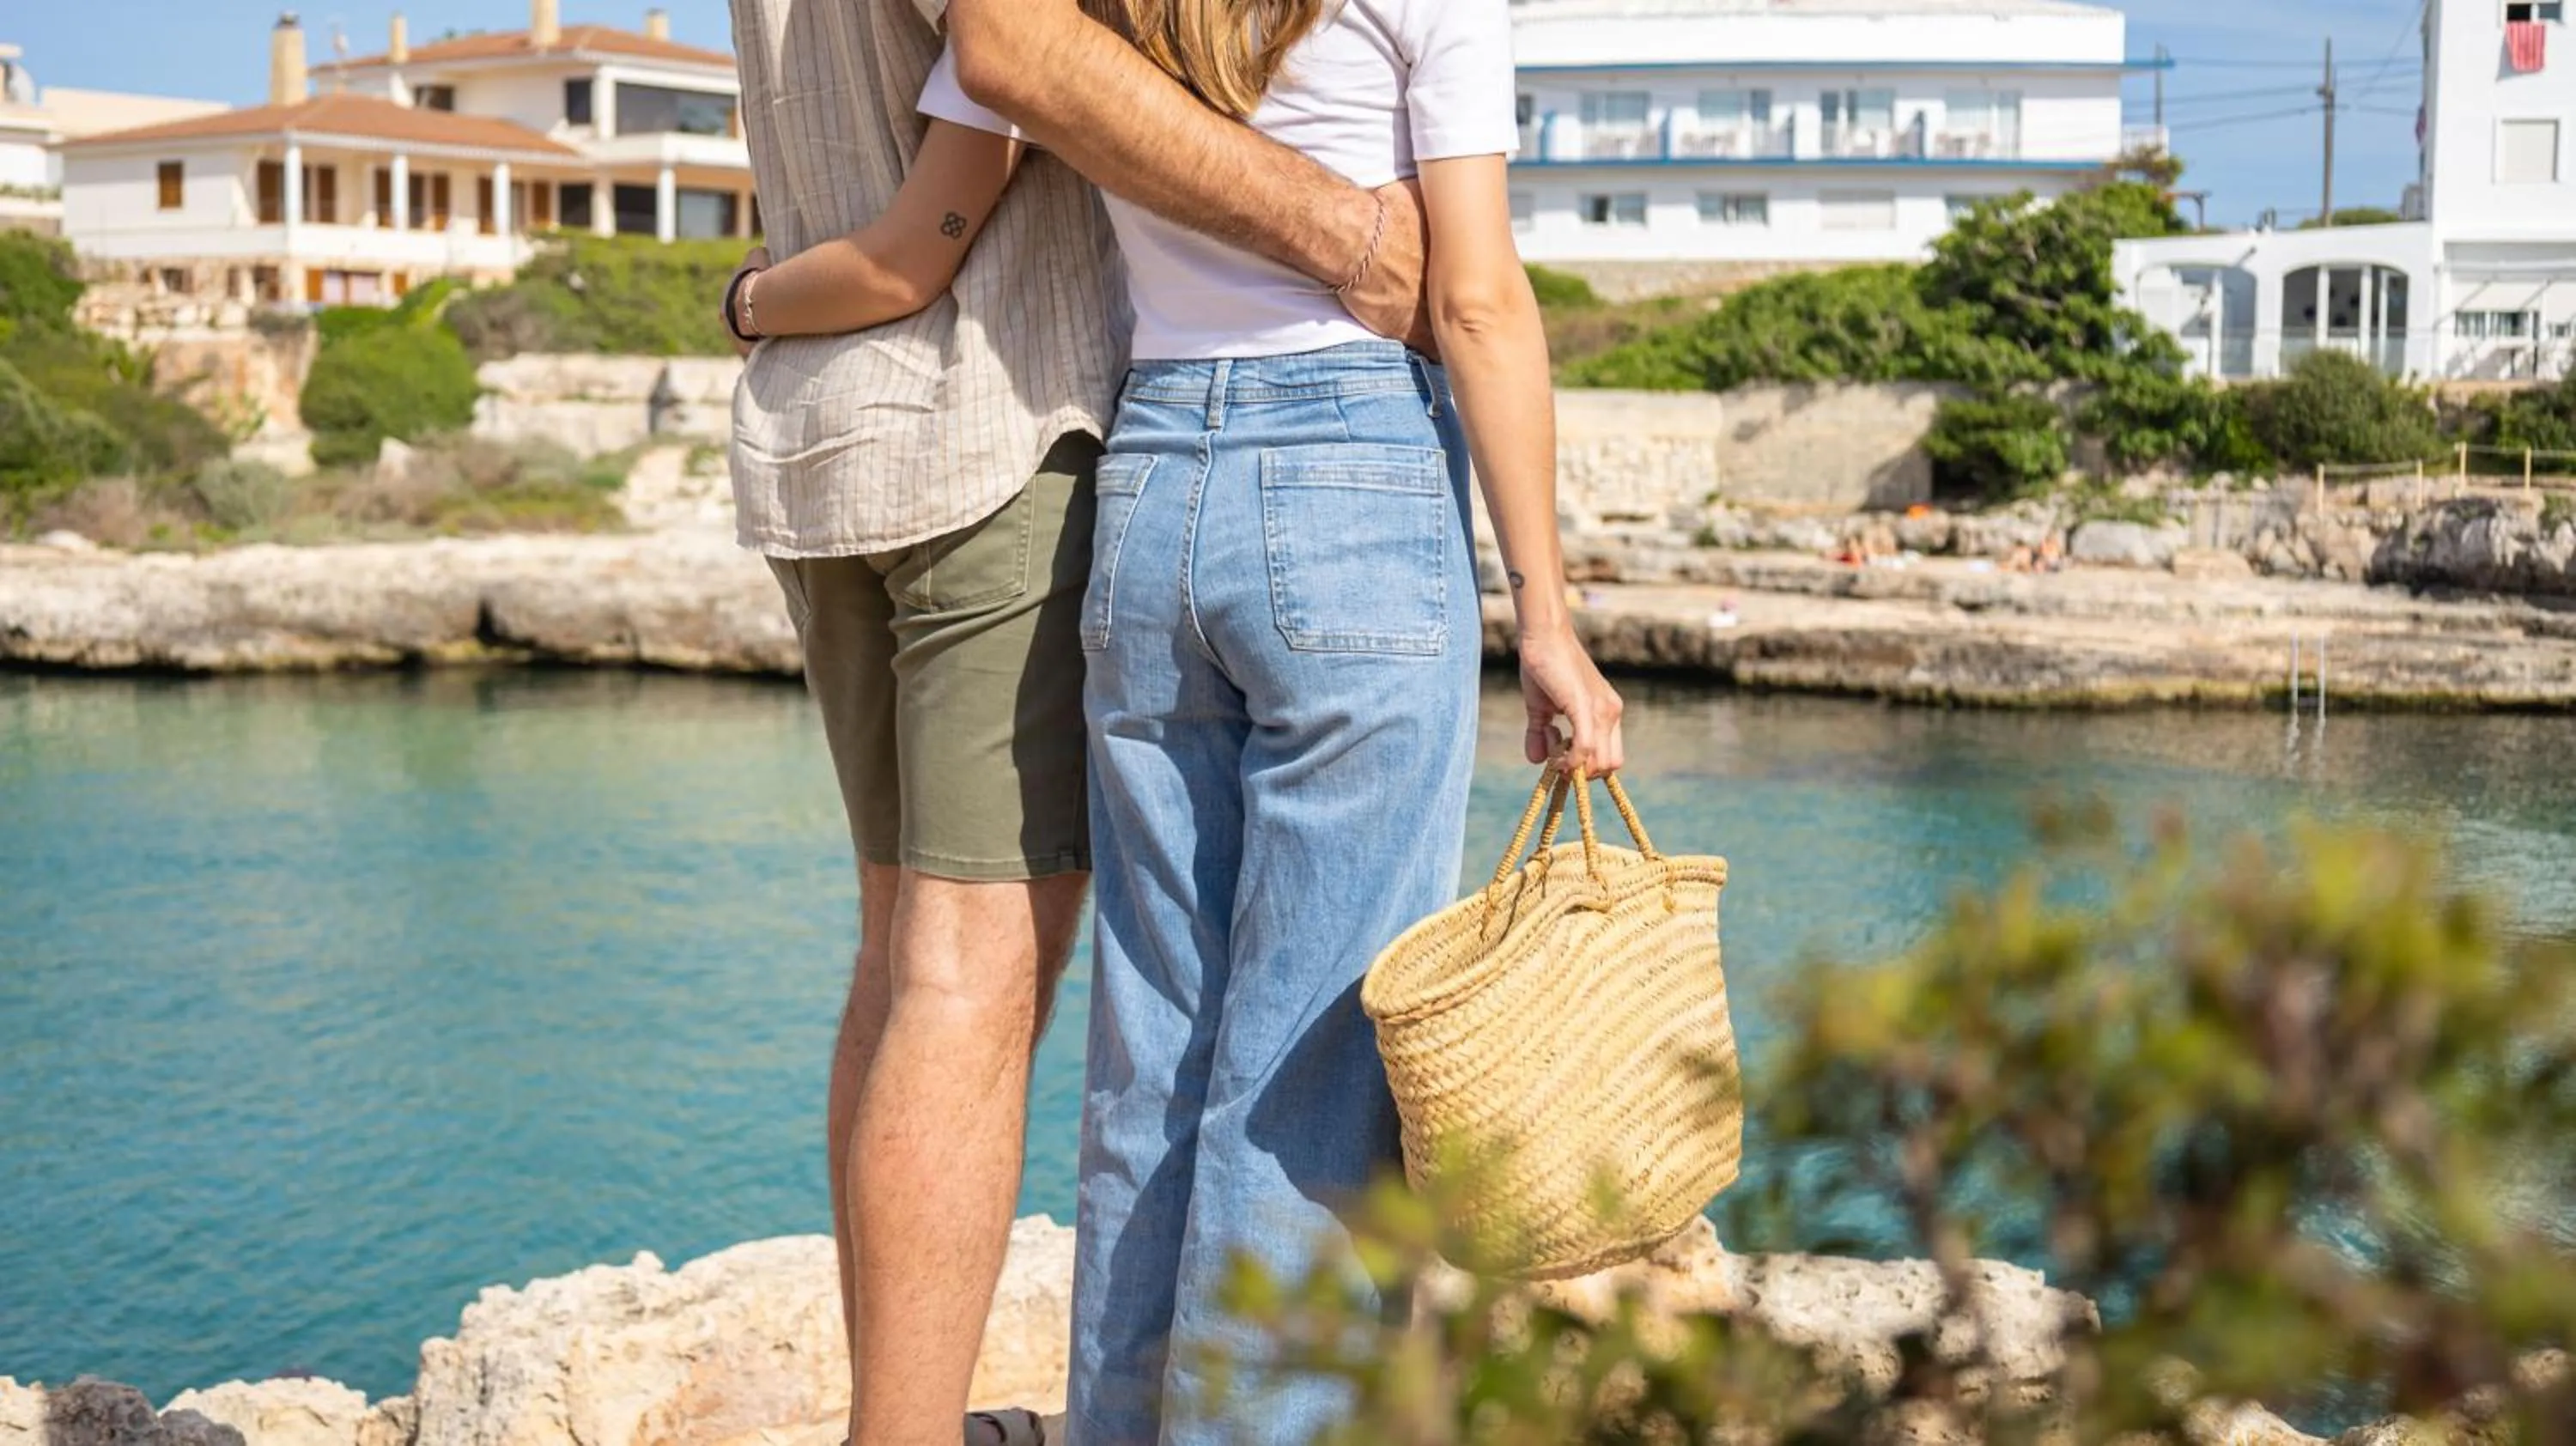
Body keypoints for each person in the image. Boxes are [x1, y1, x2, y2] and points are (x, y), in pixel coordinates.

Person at [715, 3, 1443, 1444]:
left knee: (907, 958)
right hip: (992, 416)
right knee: (973, 976)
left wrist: (749, 302)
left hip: (829, 434)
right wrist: (1349, 234)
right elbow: (1011, 48)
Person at [935, 3, 1626, 1443]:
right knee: (1310, 1078)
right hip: (1355, 472)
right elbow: (1481, 302)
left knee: (1153, 1058)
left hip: (1150, 481)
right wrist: (1546, 618)